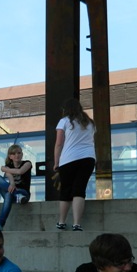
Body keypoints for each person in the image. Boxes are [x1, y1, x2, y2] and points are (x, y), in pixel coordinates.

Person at [54, 98, 96, 231]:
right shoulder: (90, 122)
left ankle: (62, 222)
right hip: (88, 158)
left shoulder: (64, 121)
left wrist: (56, 162)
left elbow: (59, 143)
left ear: (66, 109)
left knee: (66, 190)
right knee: (79, 189)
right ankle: (76, 224)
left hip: (69, 159)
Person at [0, 144, 32, 230]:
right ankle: (17, 195)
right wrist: (12, 184)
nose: (17, 155)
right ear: (10, 156)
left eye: (19, 153)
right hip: (14, 192)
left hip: (24, 193)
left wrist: (5, 169)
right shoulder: (8, 166)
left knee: (8, 194)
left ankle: (0, 224)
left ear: (22, 154)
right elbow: (10, 178)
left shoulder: (27, 163)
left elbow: (20, 171)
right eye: (14, 154)